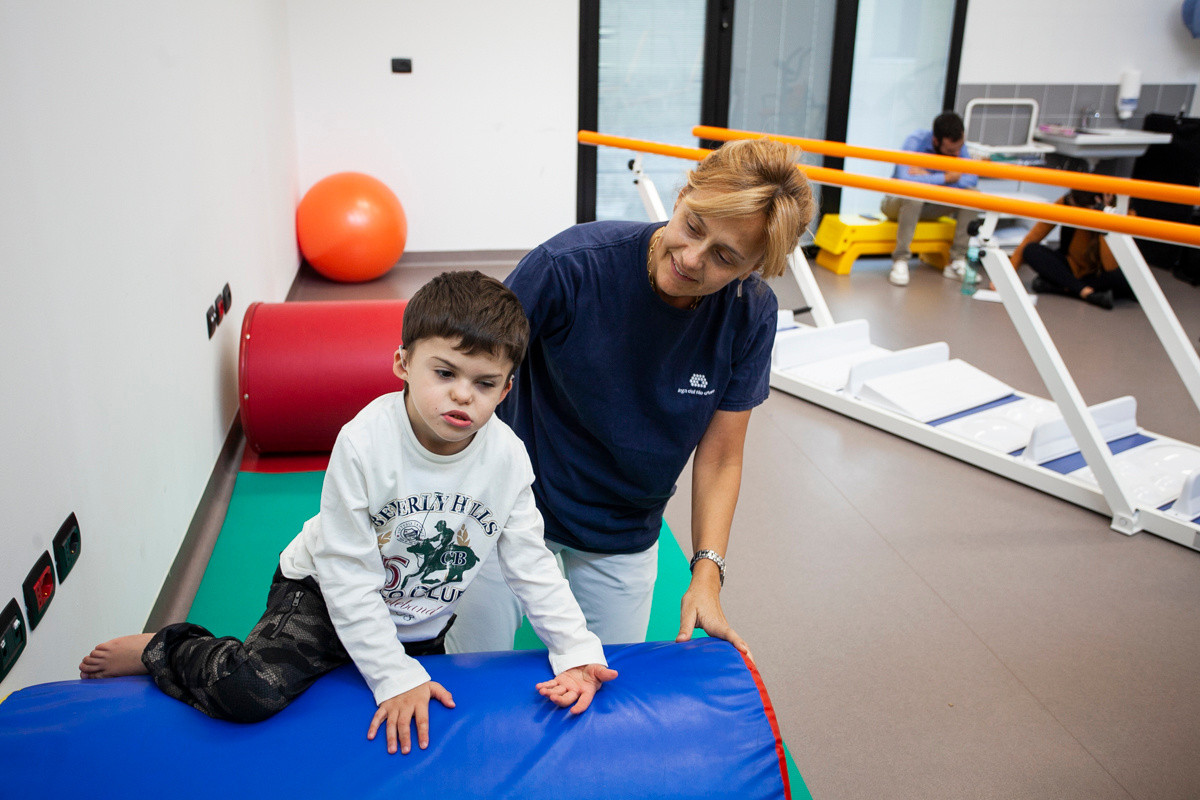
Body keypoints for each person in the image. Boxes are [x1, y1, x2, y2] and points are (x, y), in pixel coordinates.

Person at [79, 271, 616, 755]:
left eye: (483, 383)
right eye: (445, 372)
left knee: (433, 718)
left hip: (417, 611)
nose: (462, 396)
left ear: (506, 388)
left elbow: (532, 564)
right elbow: (348, 575)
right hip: (319, 588)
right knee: (247, 692)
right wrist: (389, 673)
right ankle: (167, 646)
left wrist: (573, 649)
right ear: (403, 363)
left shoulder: (506, 458)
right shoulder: (364, 443)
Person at [445, 138, 815, 660]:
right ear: (684, 193)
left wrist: (707, 574)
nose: (690, 258)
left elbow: (722, 455)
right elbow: (467, 377)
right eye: (692, 225)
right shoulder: (569, 266)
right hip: (509, 505)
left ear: (753, 268)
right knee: (471, 668)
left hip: (625, 526)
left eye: (724, 257)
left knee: (606, 679)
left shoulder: (750, 314)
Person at [880, 111, 979, 287]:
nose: (957, 153)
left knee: (972, 195)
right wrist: (945, 177)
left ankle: (957, 261)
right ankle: (900, 260)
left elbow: (970, 179)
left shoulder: (958, 146)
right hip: (896, 203)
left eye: (959, 149)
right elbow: (905, 179)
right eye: (950, 151)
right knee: (915, 193)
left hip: (931, 205)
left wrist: (929, 174)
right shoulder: (915, 141)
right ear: (936, 141)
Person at [1009, 189, 1131, 310]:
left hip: (1097, 273)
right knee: (1031, 250)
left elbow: (1110, 266)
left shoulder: (1120, 211)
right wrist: (1009, 274)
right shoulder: (1066, 201)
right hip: (1071, 265)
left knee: (1121, 278)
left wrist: (1104, 221)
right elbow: (1034, 236)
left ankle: (1062, 286)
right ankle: (1085, 292)